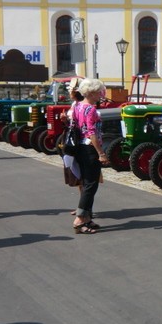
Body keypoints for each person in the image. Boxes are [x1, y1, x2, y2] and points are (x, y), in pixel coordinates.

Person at [71, 78, 109, 234]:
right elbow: (91, 133)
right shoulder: (91, 109)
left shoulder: (77, 106)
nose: (101, 94)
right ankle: (79, 219)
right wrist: (101, 153)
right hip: (89, 148)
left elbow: (74, 125)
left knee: (87, 183)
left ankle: (86, 218)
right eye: (99, 92)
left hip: (80, 147)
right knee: (90, 185)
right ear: (92, 93)